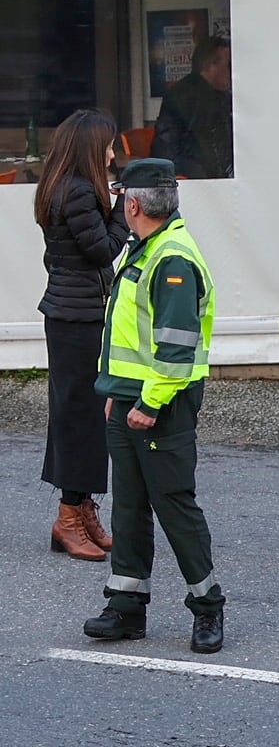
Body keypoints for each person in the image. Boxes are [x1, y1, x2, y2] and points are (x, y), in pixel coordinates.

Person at [81, 160, 225, 655]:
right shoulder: (145, 248)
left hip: (161, 401)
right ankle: (126, 606)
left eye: (123, 196)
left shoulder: (172, 260)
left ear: (134, 204)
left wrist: (146, 402)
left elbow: (176, 348)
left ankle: (208, 607)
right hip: (131, 397)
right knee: (129, 504)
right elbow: (131, 337)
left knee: (173, 504)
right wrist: (119, 393)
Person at [35, 111, 126, 563]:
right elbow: (103, 250)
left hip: (74, 313)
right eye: (109, 146)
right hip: (76, 318)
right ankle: (69, 516)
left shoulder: (67, 185)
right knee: (79, 417)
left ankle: (82, 508)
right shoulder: (79, 192)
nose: (113, 154)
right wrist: (126, 214)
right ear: (91, 148)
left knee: (81, 414)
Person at [155, 38, 234, 180]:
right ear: (210, 65)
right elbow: (168, 150)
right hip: (194, 181)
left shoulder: (222, 97)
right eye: (228, 65)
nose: (233, 71)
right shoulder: (185, 98)